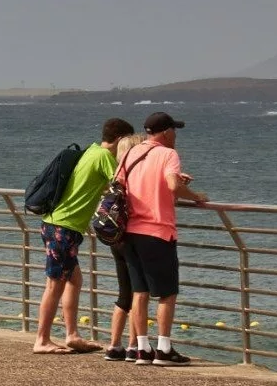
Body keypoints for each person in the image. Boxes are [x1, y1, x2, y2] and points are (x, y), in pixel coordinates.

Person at [35, 118, 131, 353]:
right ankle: (42, 339)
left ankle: (72, 335)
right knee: (54, 284)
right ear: (119, 140)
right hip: (63, 227)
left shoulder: (91, 151)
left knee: (74, 279)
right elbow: (123, 185)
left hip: (59, 224)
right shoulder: (105, 158)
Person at [121, 111, 210, 366]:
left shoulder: (130, 153)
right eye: (175, 131)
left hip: (130, 231)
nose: (176, 136)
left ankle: (142, 349)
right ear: (166, 132)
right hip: (158, 231)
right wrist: (195, 196)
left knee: (140, 292)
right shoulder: (168, 154)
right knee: (167, 294)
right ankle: (164, 349)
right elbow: (172, 185)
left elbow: (120, 185)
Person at [103, 129, 142, 361]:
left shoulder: (115, 176)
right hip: (133, 236)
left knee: (123, 293)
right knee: (139, 292)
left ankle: (113, 345)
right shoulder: (135, 176)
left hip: (115, 237)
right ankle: (133, 345)